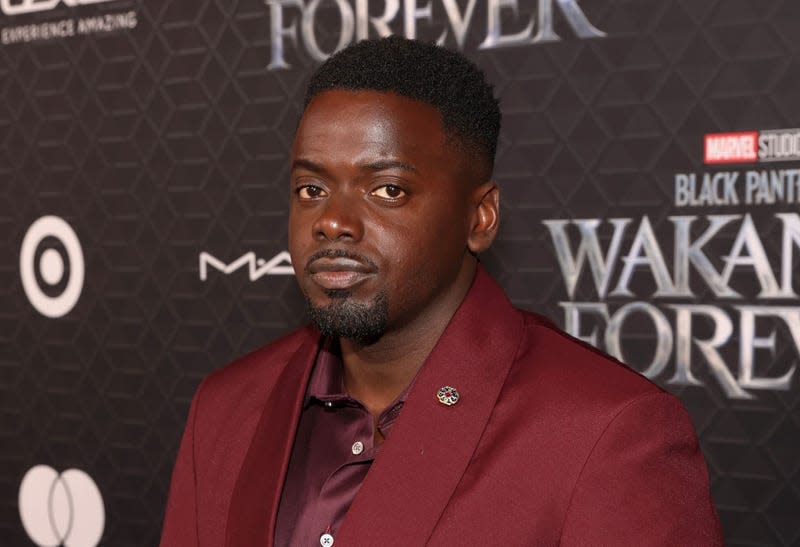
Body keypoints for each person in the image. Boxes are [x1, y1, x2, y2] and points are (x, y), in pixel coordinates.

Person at [160, 36, 723, 546]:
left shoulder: (607, 434)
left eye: (387, 190)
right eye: (311, 187)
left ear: (479, 218)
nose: (332, 222)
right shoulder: (226, 406)